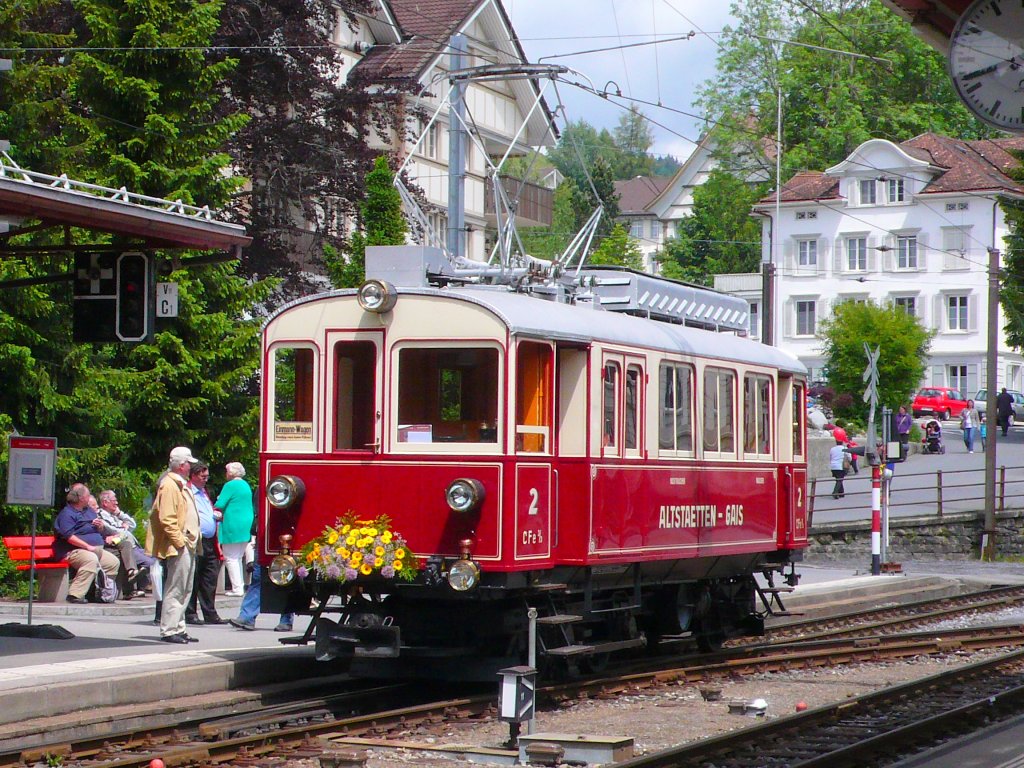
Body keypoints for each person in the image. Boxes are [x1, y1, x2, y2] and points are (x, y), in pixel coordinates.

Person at [149, 446, 201, 644]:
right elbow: (167, 518)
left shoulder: (180, 483)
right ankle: (169, 629)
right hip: (181, 544)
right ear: (181, 465)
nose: (191, 467)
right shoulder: (170, 485)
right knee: (176, 588)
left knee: (186, 588)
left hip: (189, 543)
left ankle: (179, 627)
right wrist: (180, 543)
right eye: (189, 464)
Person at [53, 483, 121, 603]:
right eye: (87, 495)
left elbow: (95, 530)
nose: (90, 497)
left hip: (94, 549)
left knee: (112, 562)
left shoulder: (88, 510)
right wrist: (87, 546)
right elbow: (69, 537)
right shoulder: (67, 514)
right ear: (81, 498)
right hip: (73, 550)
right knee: (90, 560)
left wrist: (99, 527)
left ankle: (103, 593)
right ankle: (75, 595)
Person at [229, 516, 293, 632]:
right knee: (257, 578)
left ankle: (286, 620)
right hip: (264, 535)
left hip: (287, 530)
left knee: (286, 577)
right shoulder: (257, 496)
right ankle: (247, 617)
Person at [185, 461, 228, 625]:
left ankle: (210, 613)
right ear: (194, 475)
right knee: (194, 578)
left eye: (206, 476)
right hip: (196, 539)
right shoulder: (188, 492)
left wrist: (215, 513)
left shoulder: (203, 492)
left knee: (209, 577)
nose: (205, 479)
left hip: (210, 540)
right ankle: (190, 613)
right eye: (203, 476)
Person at [96, 490, 155, 598]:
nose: (117, 503)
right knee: (151, 563)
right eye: (114, 500)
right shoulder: (101, 515)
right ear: (105, 502)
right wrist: (123, 528)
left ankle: (135, 588)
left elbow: (132, 525)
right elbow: (115, 530)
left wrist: (119, 513)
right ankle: (136, 586)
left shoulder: (114, 515)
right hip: (123, 547)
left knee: (156, 558)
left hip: (134, 547)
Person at [216, 462, 254, 596]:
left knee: (230, 557)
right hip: (246, 523)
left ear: (231, 473)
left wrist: (218, 499)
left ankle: (237, 588)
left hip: (233, 522)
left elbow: (220, 504)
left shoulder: (230, 485)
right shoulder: (245, 485)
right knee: (238, 556)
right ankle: (240, 586)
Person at [829, 435, 848, 500]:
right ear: (842, 442)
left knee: (838, 479)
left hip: (833, 466)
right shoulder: (844, 448)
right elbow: (849, 457)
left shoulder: (832, 449)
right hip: (840, 466)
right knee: (840, 479)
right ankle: (835, 492)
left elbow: (831, 457)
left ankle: (841, 492)